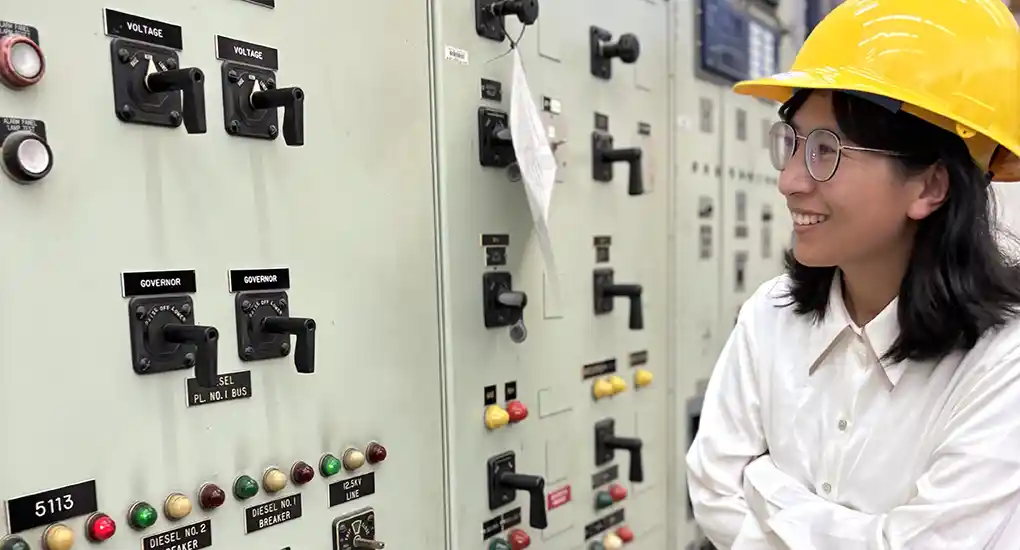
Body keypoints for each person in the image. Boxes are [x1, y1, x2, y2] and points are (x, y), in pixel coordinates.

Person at [685, 0, 1020, 548]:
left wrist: (766, 490)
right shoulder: (770, 314)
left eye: (825, 151)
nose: (789, 180)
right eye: (791, 142)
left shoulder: (1003, 360)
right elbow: (713, 493)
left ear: (930, 187)